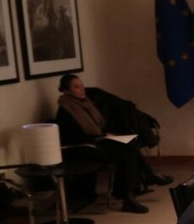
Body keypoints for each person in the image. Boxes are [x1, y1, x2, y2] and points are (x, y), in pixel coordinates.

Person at [55, 74, 171, 214]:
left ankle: (130, 194)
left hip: (99, 142)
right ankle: (144, 178)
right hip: (84, 148)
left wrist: (108, 134)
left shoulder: (87, 104)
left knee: (129, 146)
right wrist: (102, 137)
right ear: (66, 90)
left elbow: (100, 126)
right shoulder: (65, 110)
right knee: (126, 153)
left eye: (82, 85)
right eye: (76, 87)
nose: (82, 89)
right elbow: (75, 137)